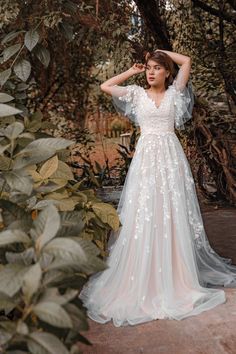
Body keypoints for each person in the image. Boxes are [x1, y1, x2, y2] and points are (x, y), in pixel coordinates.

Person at [79, 49, 236, 327]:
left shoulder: (176, 93)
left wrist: (162, 52)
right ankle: (142, 278)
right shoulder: (137, 95)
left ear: (167, 72)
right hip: (146, 162)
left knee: (171, 213)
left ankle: (176, 279)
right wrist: (132, 71)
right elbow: (106, 86)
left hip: (171, 160)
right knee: (144, 213)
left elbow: (187, 60)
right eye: (149, 68)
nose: (151, 72)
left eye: (156, 68)